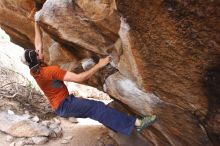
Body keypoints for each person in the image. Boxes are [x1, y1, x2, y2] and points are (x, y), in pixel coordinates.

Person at [20, 21, 156, 135]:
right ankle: (138, 123)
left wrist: (36, 23)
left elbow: (38, 44)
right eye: (37, 54)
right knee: (96, 108)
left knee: (94, 112)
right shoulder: (49, 71)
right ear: (37, 60)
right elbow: (79, 78)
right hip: (65, 105)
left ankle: (120, 128)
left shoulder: (34, 69)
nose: (39, 52)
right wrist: (99, 65)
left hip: (62, 105)